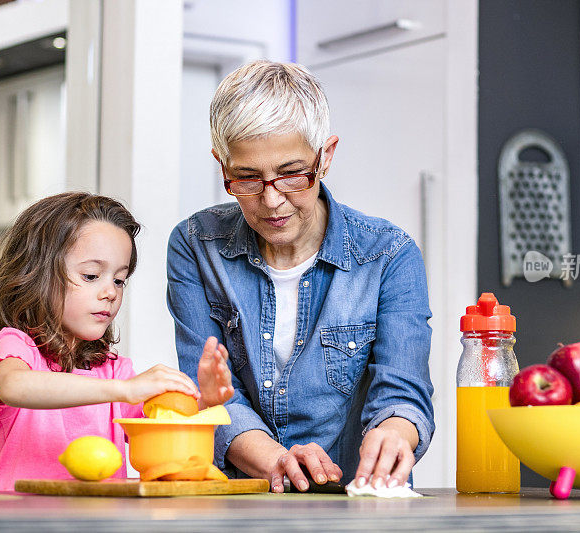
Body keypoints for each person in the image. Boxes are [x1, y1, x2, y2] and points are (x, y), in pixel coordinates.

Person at [167, 60, 434, 493]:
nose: (272, 201)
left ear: (325, 156)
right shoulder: (196, 245)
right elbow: (214, 396)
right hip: (243, 497)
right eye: (248, 178)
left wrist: (396, 431)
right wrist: (278, 461)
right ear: (222, 167)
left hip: (353, 502)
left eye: (291, 174)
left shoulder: (388, 254)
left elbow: (402, 388)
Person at [0, 192, 234, 491]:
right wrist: (125, 390)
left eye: (119, 279)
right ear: (36, 274)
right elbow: (16, 387)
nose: (111, 292)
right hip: (18, 522)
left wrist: (203, 401)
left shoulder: (114, 370)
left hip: (97, 520)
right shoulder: (15, 346)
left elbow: (157, 428)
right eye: (92, 275)